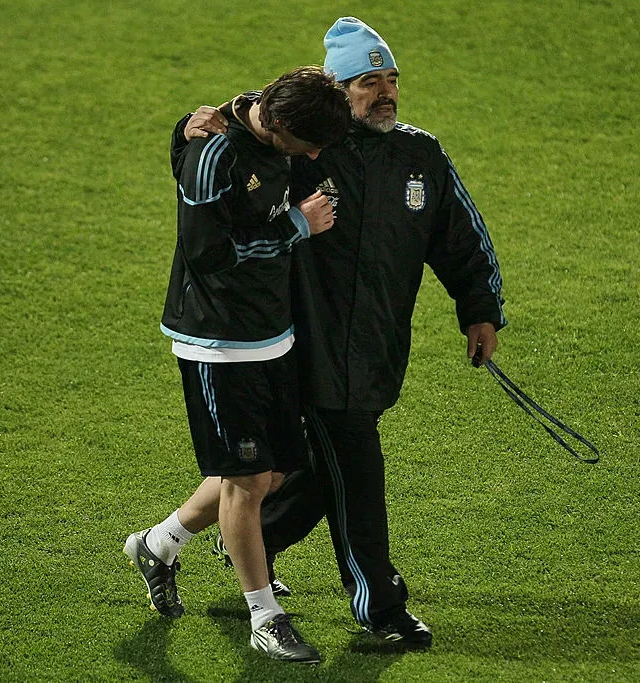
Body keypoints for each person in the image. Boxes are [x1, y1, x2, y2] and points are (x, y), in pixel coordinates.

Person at [179, 17, 506, 649]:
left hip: (377, 346)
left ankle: (223, 540)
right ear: (337, 87)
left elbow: (461, 238)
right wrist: (201, 122)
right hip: (301, 346)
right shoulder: (305, 153)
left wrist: (480, 308)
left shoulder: (421, 155)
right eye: (367, 82)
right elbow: (253, 131)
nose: (384, 93)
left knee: (303, 470)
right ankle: (379, 606)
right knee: (354, 469)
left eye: (391, 80)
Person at [124, 65, 351, 664]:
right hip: (218, 340)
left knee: (268, 471)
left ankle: (160, 542)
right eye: (309, 145)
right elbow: (208, 253)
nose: (317, 154)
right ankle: (264, 616)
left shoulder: (268, 113)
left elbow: (299, 114)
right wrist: (298, 226)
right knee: (248, 480)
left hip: (272, 330)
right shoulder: (215, 154)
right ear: (277, 126)